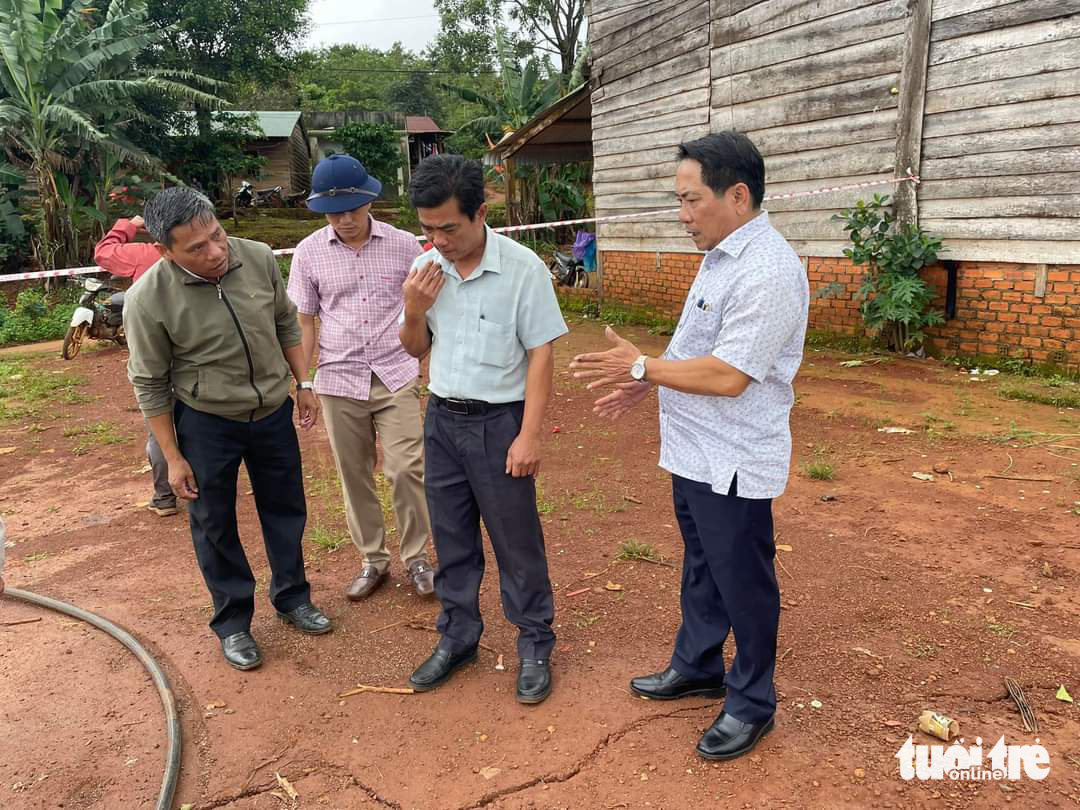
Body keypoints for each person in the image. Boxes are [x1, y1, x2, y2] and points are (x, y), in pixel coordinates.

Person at [569, 132, 809, 760]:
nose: (682, 217)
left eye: (689, 200)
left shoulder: (769, 271)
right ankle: (699, 663)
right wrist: (643, 385)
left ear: (737, 195)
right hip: (692, 448)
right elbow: (693, 345)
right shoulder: (720, 253)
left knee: (743, 580)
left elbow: (729, 375)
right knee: (702, 565)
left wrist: (643, 368)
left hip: (732, 456)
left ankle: (752, 701)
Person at [124, 187, 332, 672]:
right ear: (164, 251)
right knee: (213, 523)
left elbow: (285, 323)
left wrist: (303, 382)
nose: (216, 252)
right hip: (205, 421)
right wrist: (173, 458)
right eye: (196, 248)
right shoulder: (147, 298)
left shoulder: (257, 258)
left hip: (272, 411)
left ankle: (293, 598)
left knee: (286, 507)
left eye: (217, 236)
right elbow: (149, 382)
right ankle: (234, 621)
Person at [400, 155, 567, 704]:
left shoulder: (523, 270)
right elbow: (416, 349)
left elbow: (541, 354)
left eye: (448, 227)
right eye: (427, 229)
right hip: (442, 420)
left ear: (480, 213)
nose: (438, 240)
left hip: (500, 423)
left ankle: (535, 642)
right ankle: (459, 636)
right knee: (451, 538)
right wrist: (413, 310)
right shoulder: (426, 274)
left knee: (516, 543)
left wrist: (530, 435)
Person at [288, 155, 435, 600]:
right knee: (353, 473)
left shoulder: (404, 246)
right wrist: (303, 381)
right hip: (337, 377)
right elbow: (306, 321)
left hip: (395, 371)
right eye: (335, 211)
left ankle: (418, 558)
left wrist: (428, 359)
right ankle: (373, 559)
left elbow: (424, 308)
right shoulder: (308, 252)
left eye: (353, 208)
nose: (346, 218)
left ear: (370, 200)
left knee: (408, 467)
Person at [94, 216, 178, 517]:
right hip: (195, 349)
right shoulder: (201, 251)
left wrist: (128, 225)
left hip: (153, 353)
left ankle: (165, 495)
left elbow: (103, 252)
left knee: (159, 425)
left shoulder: (143, 254)